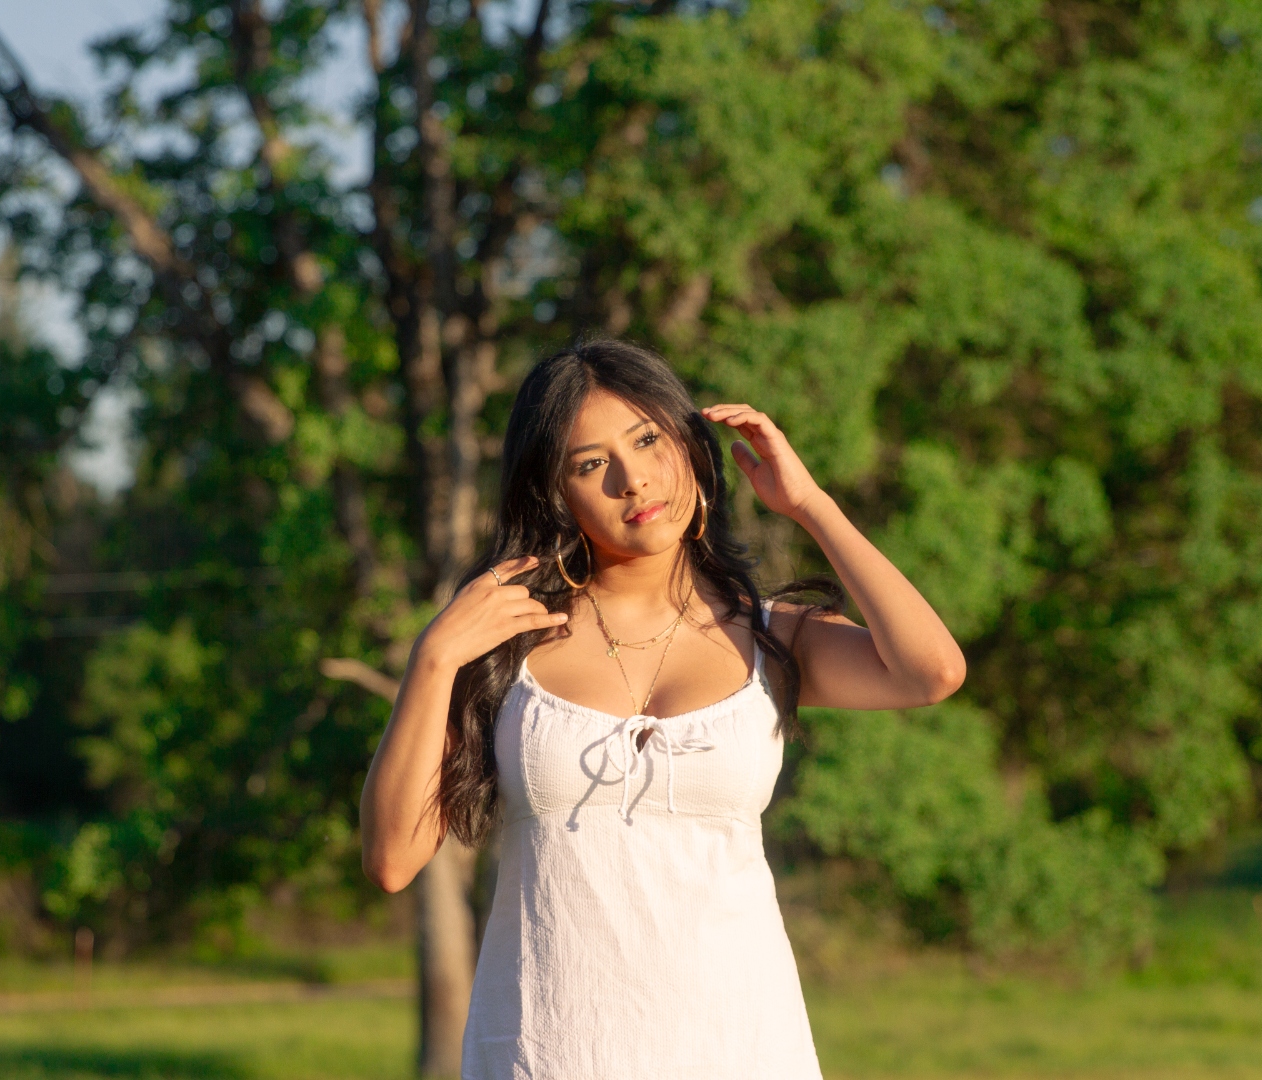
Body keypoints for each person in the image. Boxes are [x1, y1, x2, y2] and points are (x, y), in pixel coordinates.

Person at [360, 340, 965, 1079]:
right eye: (590, 464)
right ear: (557, 492)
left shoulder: (773, 637)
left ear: (687, 442)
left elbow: (932, 671)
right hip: (545, 1053)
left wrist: (810, 505)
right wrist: (432, 659)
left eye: (647, 439)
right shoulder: (502, 644)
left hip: (743, 1048)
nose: (632, 478)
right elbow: (393, 859)